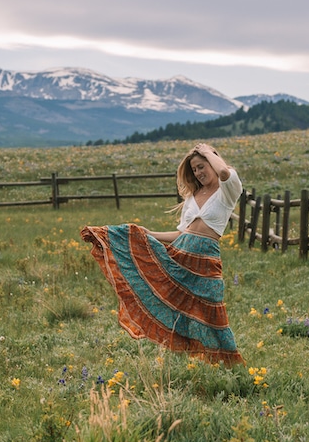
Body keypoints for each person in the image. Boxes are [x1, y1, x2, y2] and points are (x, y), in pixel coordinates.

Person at [80, 143, 244, 366]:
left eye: (201, 166)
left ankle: (229, 365)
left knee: (211, 312)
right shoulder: (192, 197)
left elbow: (223, 172)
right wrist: (149, 234)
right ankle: (186, 359)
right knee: (172, 306)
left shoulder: (229, 187)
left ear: (212, 161)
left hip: (205, 260)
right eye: (194, 169)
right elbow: (180, 233)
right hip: (180, 257)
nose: (198, 173)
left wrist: (206, 151)